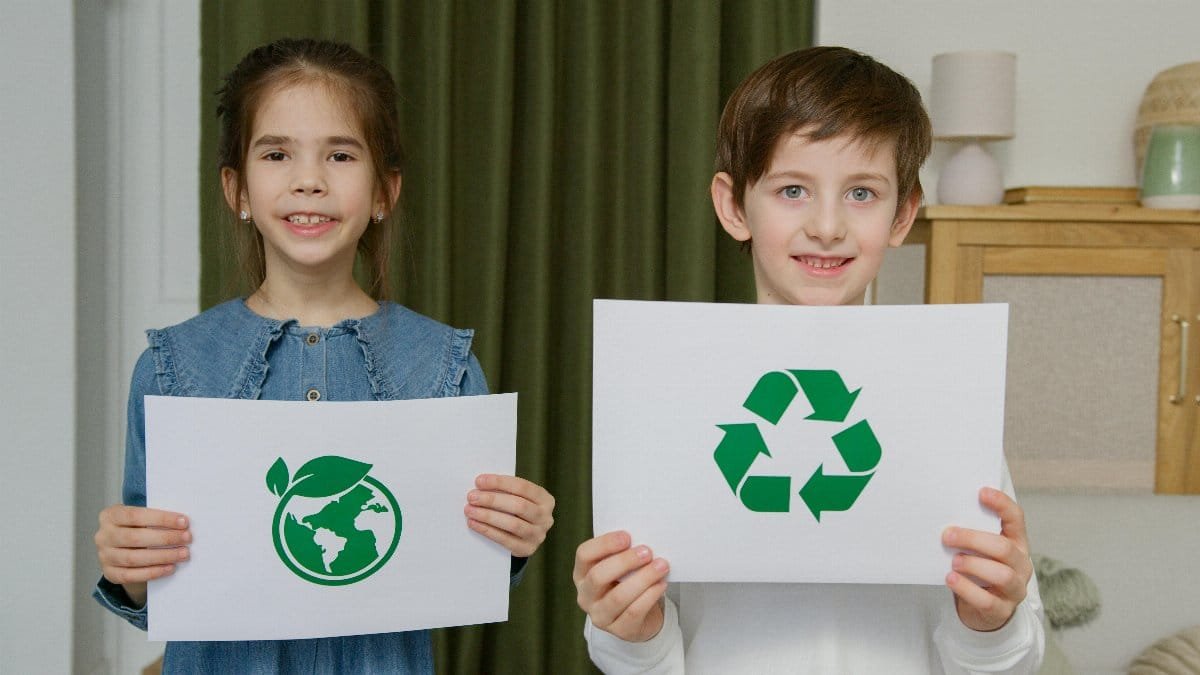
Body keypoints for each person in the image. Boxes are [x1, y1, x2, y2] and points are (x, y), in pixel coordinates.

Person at [574, 46, 1044, 674]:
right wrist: (634, 633)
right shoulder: (671, 394)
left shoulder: (947, 404)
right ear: (734, 206)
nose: (827, 225)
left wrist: (992, 624)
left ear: (903, 213)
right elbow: (635, 657)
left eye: (862, 193)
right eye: (793, 189)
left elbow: (1012, 661)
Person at [92, 38, 555, 673]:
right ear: (238, 190)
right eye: (277, 153)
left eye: (340, 154)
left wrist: (513, 539)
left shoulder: (444, 368)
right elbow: (152, 585)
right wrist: (129, 570)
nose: (308, 180)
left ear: (385, 191)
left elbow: (463, 568)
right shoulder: (172, 368)